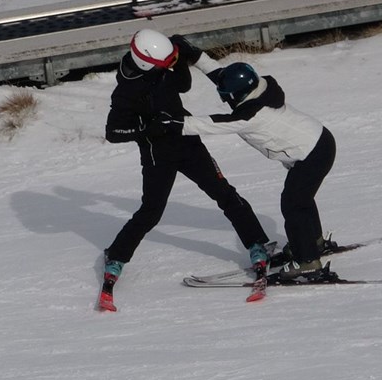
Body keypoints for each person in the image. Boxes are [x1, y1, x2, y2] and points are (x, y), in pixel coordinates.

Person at [97, 29, 272, 311]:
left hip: (188, 143)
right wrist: (146, 128)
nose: (168, 66)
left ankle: (257, 244)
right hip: (157, 155)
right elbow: (113, 132)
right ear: (145, 62)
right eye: (165, 63)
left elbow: (182, 86)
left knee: (224, 193)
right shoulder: (126, 91)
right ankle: (116, 257)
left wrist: (180, 59)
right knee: (151, 211)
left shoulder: (163, 65)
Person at [156, 48, 336, 282]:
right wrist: (195, 55)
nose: (224, 99)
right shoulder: (259, 90)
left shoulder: (249, 116)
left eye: (226, 96)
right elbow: (222, 76)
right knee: (301, 199)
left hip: (312, 154)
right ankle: (312, 243)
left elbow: (211, 124)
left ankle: (308, 261)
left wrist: (170, 123)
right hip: (319, 142)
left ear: (235, 95)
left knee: (293, 204)